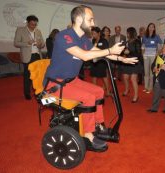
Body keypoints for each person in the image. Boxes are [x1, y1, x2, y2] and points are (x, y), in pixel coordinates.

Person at [44, 5, 138, 151]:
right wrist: (110, 50)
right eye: (90, 20)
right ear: (79, 19)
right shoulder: (64, 36)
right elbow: (85, 55)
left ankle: (98, 125)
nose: (93, 24)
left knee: (99, 91)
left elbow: (99, 52)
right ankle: (88, 135)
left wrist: (121, 59)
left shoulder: (84, 38)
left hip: (71, 80)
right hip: (56, 84)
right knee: (88, 97)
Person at [14, 15, 45, 100]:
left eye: (35, 24)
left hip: (37, 55)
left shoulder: (38, 31)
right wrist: (27, 43)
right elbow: (16, 43)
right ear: (27, 23)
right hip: (28, 56)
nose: (34, 26)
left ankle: (37, 92)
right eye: (32, 24)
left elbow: (42, 43)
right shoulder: (20, 30)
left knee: (38, 76)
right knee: (28, 76)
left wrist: (40, 44)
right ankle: (27, 93)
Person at [121, 27, 143, 103]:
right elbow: (124, 51)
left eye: (127, 32)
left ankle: (136, 96)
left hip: (135, 62)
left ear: (131, 33)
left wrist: (129, 52)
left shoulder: (137, 41)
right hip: (127, 61)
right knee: (125, 77)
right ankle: (127, 90)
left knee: (133, 79)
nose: (127, 34)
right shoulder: (127, 41)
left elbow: (138, 53)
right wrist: (123, 52)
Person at [90, 27, 111, 97]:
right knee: (93, 76)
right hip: (94, 61)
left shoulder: (104, 41)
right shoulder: (93, 40)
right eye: (92, 33)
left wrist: (98, 52)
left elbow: (106, 51)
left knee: (104, 76)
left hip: (101, 61)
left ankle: (108, 91)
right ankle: (94, 92)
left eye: (94, 33)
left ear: (99, 33)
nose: (93, 35)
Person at [142, 23, 162, 93]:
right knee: (146, 72)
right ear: (148, 28)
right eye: (150, 27)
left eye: (152, 27)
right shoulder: (144, 36)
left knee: (151, 72)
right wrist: (143, 54)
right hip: (146, 56)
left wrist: (157, 54)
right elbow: (143, 46)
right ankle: (146, 87)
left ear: (154, 28)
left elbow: (160, 47)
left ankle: (150, 88)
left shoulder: (157, 36)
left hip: (153, 56)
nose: (151, 28)